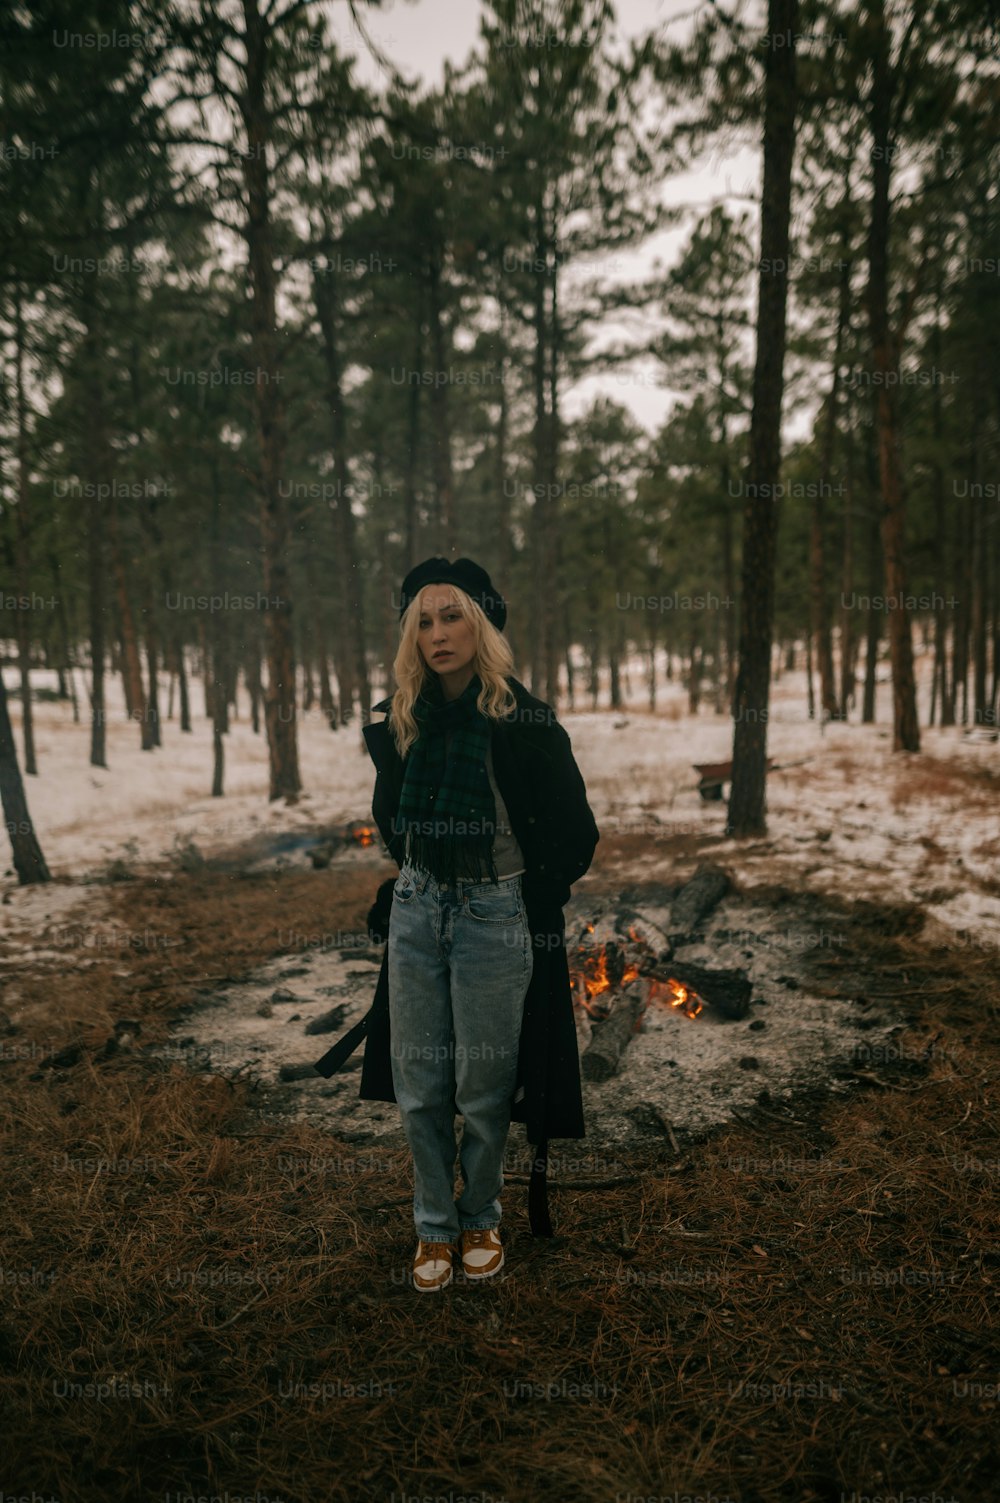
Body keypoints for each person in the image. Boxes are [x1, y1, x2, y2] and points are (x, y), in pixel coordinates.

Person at [313, 557, 599, 1292]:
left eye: (453, 615)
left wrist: (532, 896)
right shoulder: (404, 717)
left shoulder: (524, 720)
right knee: (421, 1082)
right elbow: (391, 820)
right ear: (412, 633)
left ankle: (481, 1216)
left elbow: (574, 831)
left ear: (482, 623)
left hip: (495, 913)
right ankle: (433, 1227)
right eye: (424, 620)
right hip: (417, 908)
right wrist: (406, 880)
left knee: (483, 1081)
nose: (438, 633)